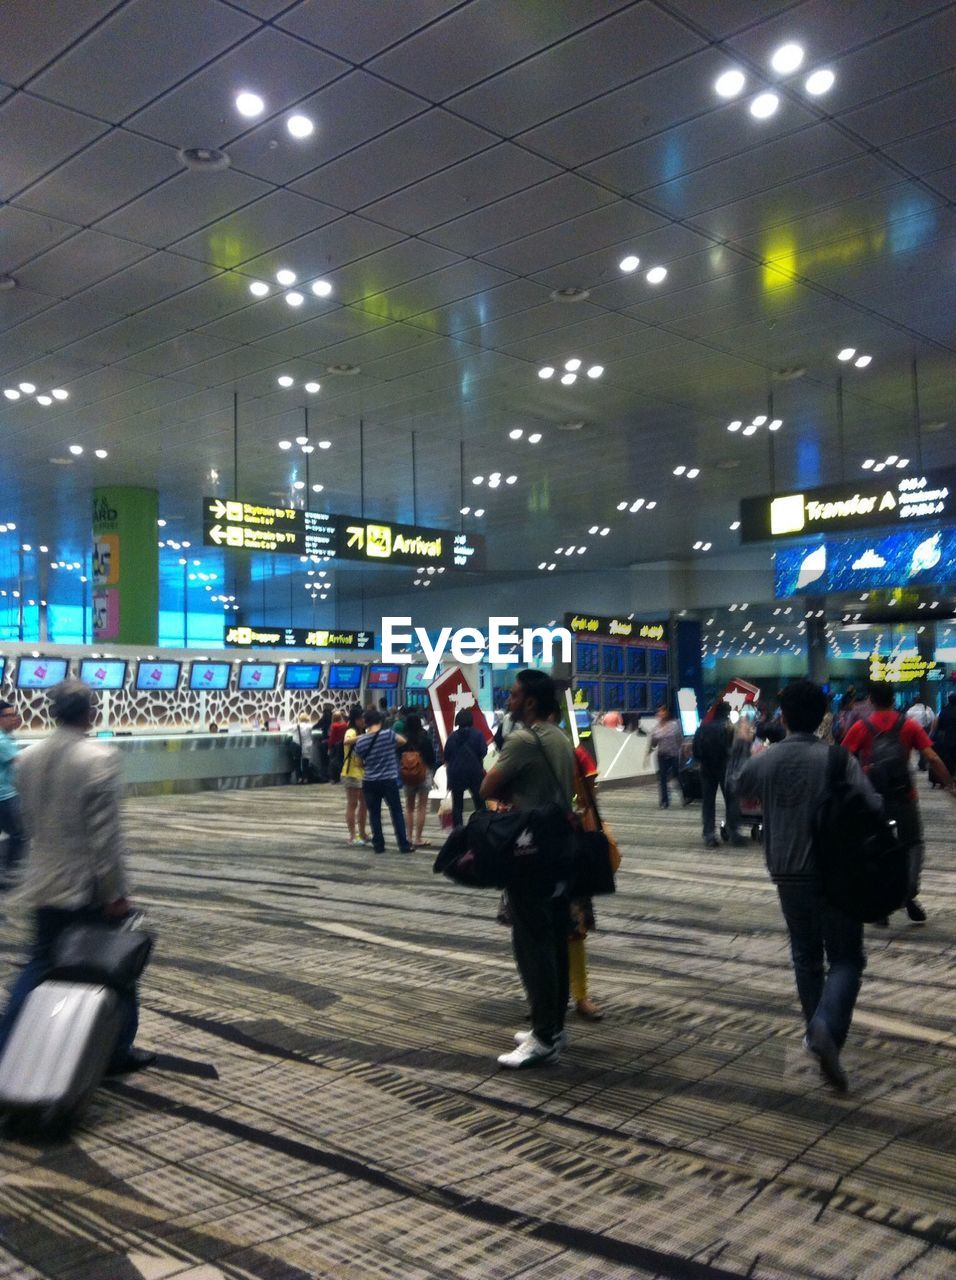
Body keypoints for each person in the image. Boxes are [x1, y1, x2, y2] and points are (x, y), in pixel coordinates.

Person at [0, 680, 154, 1075]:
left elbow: (28, 821)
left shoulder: (29, 757)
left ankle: (5, 1048)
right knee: (115, 970)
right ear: (90, 713)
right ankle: (117, 1051)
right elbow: (106, 838)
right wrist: (115, 893)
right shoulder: (98, 757)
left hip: (43, 879)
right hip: (85, 886)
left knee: (39, 965)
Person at [738, 680, 881, 1093]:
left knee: (805, 956)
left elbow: (739, 788)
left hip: (787, 873)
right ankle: (826, 1029)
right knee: (847, 958)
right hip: (836, 873)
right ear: (823, 717)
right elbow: (871, 805)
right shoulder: (838, 760)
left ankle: (813, 1031)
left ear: (782, 717)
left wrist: (742, 745)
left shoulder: (766, 760)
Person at [480, 670, 574, 1069]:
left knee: (531, 942)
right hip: (559, 847)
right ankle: (552, 1024)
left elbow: (486, 788)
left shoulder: (522, 740)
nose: (510, 700)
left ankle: (543, 1036)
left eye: (515, 695)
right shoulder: (562, 738)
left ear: (531, 702)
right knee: (554, 938)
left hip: (528, 850)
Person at [841, 682, 956, 925]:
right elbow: (932, 757)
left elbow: (843, 761)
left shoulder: (861, 727)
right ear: (894, 699)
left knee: (873, 849)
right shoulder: (909, 725)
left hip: (871, 801)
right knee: (913, 845)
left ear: (871, 699)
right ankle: (908, 892)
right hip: (904, 797)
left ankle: (880, 904)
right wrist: (949, 785)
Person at [569, 742, 603, 1021]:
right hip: (537, 845)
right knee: (538, 930)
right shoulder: (573, 750)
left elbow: (590, 786)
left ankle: (580, 995)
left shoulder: (573, 751)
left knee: (576, 925)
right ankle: (546, 995)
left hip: (572, 843)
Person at [354, 709, 413, 854]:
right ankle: (403, 845)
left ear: (366, 722)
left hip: (370, 781)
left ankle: (379, 845)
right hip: (389, 779)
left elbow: (359, 763)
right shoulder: (388, 735)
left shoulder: (361, 740)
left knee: (374, 813)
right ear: (380, 721)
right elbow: (403, 741)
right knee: (396, 812)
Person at [693, 700, 743, 847]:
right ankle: (733, 831)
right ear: (727, 713)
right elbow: (733, 750)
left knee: (708, 802)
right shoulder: (729, 728)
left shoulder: (702, 728)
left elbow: (695, 749)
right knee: (731, 800)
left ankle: (709, 834)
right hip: (724, 768)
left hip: (706, 768)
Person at [444, 709, 487, 827]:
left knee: (457, 806)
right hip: (474, 773)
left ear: (457, 721)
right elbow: (483, 752)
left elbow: (446, 756)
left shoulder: (452, 737)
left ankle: (458, 832)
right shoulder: (478, 734)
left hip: (455, 773)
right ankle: (482, 827)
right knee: (479, 802)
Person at [400, 712, 437, 848]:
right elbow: (432, 759)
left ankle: (408, 837)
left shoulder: (403, 739)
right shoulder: (424, 738)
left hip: (407, 775)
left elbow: (398, 756)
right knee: (422, 807)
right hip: (423, 774)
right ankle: (418, 838)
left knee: (409, 807)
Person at [0, 700, 26, 887]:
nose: (14, 718)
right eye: (9, 715)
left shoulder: (5, 738)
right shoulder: (2, 741)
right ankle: (9, 873)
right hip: (6, 796)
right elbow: (20, 764)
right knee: (20, 834)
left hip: (5, 794)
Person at [341, 708, 369, 846]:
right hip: (351, 773)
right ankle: (353, 835)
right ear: (356, 719)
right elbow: (346, 741)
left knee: (364, 804)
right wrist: (364, 737)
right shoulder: (351, 731)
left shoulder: (362, 731)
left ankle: (362, 832)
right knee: (353, 804)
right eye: (362, 718)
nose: (364, 721)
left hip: (362, 773)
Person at [646, 704, 682, 809]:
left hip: (674, 755)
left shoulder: (674, 724)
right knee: (662, 779)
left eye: (662, 711)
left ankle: (685, 794)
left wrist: (682, 750)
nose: (660, 713)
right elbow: (653, 743)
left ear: (667, 712)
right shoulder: (656, 728)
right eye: (658, 712)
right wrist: (649, 751)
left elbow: (679, 739)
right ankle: (664, 801)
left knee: (676, 776)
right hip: (662, 755)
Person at [931, 692, 956, 779]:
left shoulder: (943, 711)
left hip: (947, 739)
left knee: (948, 758)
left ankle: (951, 775)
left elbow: (937, 725)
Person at [327, 710, 347, 784]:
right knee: (340, 761)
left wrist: (329, 747)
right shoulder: (345, 724)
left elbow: (332, 738)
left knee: (333, 761)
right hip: (342, 744)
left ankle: (334, 778)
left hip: (334, 745)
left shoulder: (334, 726)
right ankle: (340, 776)